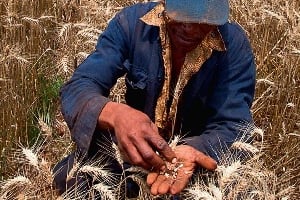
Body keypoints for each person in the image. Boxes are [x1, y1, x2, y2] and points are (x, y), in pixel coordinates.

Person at [53, 0, 256, 198]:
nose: (191, 29)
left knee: (241, 191)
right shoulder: (131, 24)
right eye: (183, 15)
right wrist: (116, 114)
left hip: (193, 164)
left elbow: (235, 126)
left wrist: (196, 149)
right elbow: (79, 87)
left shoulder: (234, 46)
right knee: (68, 178)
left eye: (204, 20)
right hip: (132, 155)